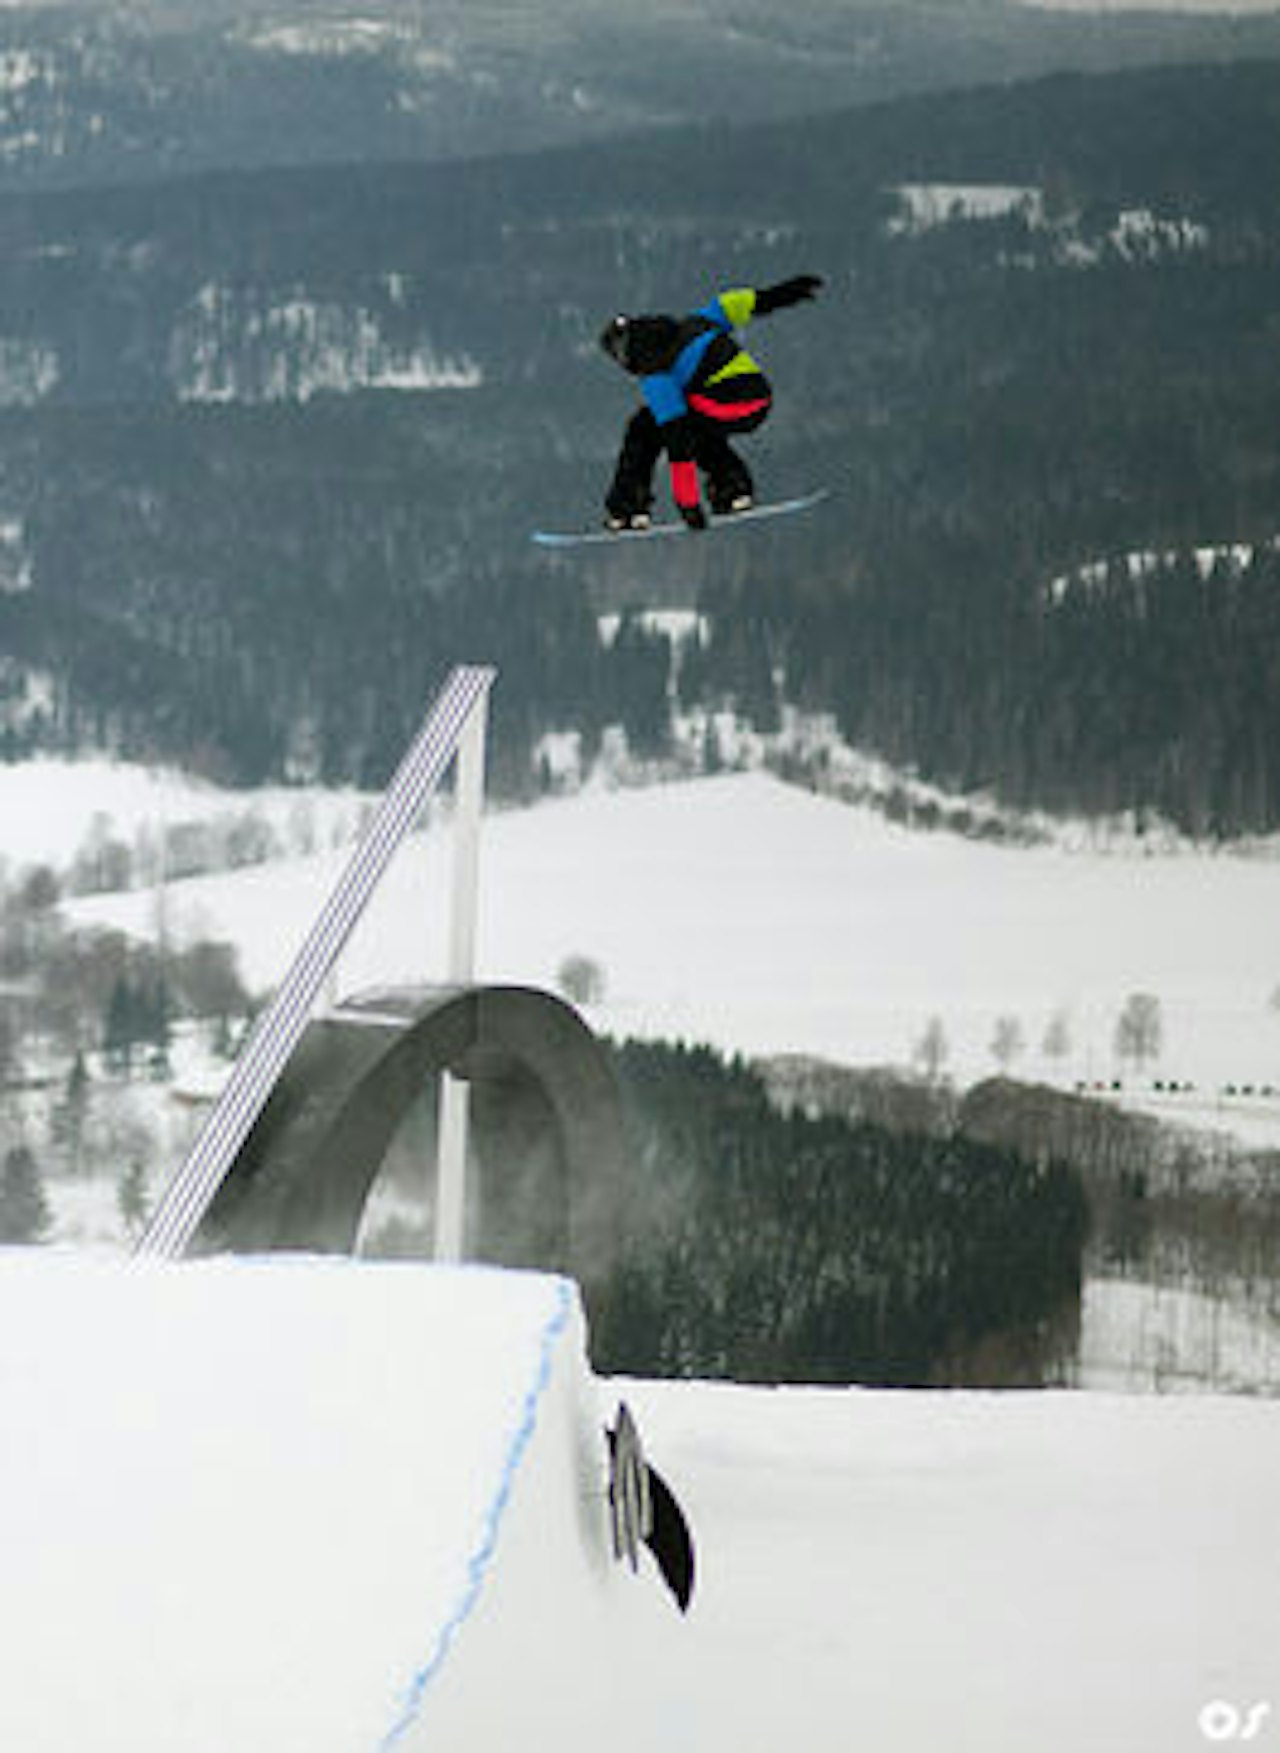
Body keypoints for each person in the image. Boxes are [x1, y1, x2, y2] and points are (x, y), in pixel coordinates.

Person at [598, 274, 822, 532]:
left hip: (723, 406)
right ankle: (733, 490)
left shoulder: (657, 374)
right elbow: (744, 302)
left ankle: (627, 508)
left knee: (645, 427)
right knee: (699, 426)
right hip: (759, 400)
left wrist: (688, 505)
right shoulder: (699, 321)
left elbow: (678, 443)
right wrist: (788, 292)